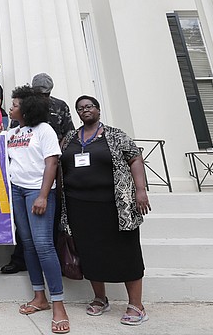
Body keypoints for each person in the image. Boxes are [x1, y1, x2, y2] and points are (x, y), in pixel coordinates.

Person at [59, 95, 151, 326]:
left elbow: (135, 158)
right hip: (79, 205)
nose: (85, 110)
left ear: (98, 110)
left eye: (89, 106)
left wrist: (141, 190)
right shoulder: (71, 137)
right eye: (80, 108)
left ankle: (136, 305)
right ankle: (100, 298)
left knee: (126, 251)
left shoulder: (116, 135)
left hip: (115, 205)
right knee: (90, 252)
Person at [7, 86, 70, 334]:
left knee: (43, 244)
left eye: (14, 104)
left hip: (37, 191)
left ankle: (58, 305)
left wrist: (43, 195)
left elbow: (52, 162)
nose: (11, 108)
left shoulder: (45, 130)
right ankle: (39, 297)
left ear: (27, 108)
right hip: (17, 190)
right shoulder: (14, 132)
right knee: (28, 243)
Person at [32, 73, 74, 143]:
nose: (43, 97)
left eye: (46, 94)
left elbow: (69, 133)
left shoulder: (60, 106)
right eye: (39, 94)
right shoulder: (23, 106)